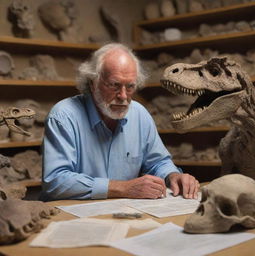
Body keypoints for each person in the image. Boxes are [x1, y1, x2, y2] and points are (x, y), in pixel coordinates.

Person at [40, 43, 199, 201]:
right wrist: (123, 188)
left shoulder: (139, 114)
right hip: (69, 216)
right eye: (114, 85)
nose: (123, 96)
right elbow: (55, 181)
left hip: (121, 214)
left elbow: (158, 162)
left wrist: (172, 175)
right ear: (92, 83)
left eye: (130, 87)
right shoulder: (63, 116)